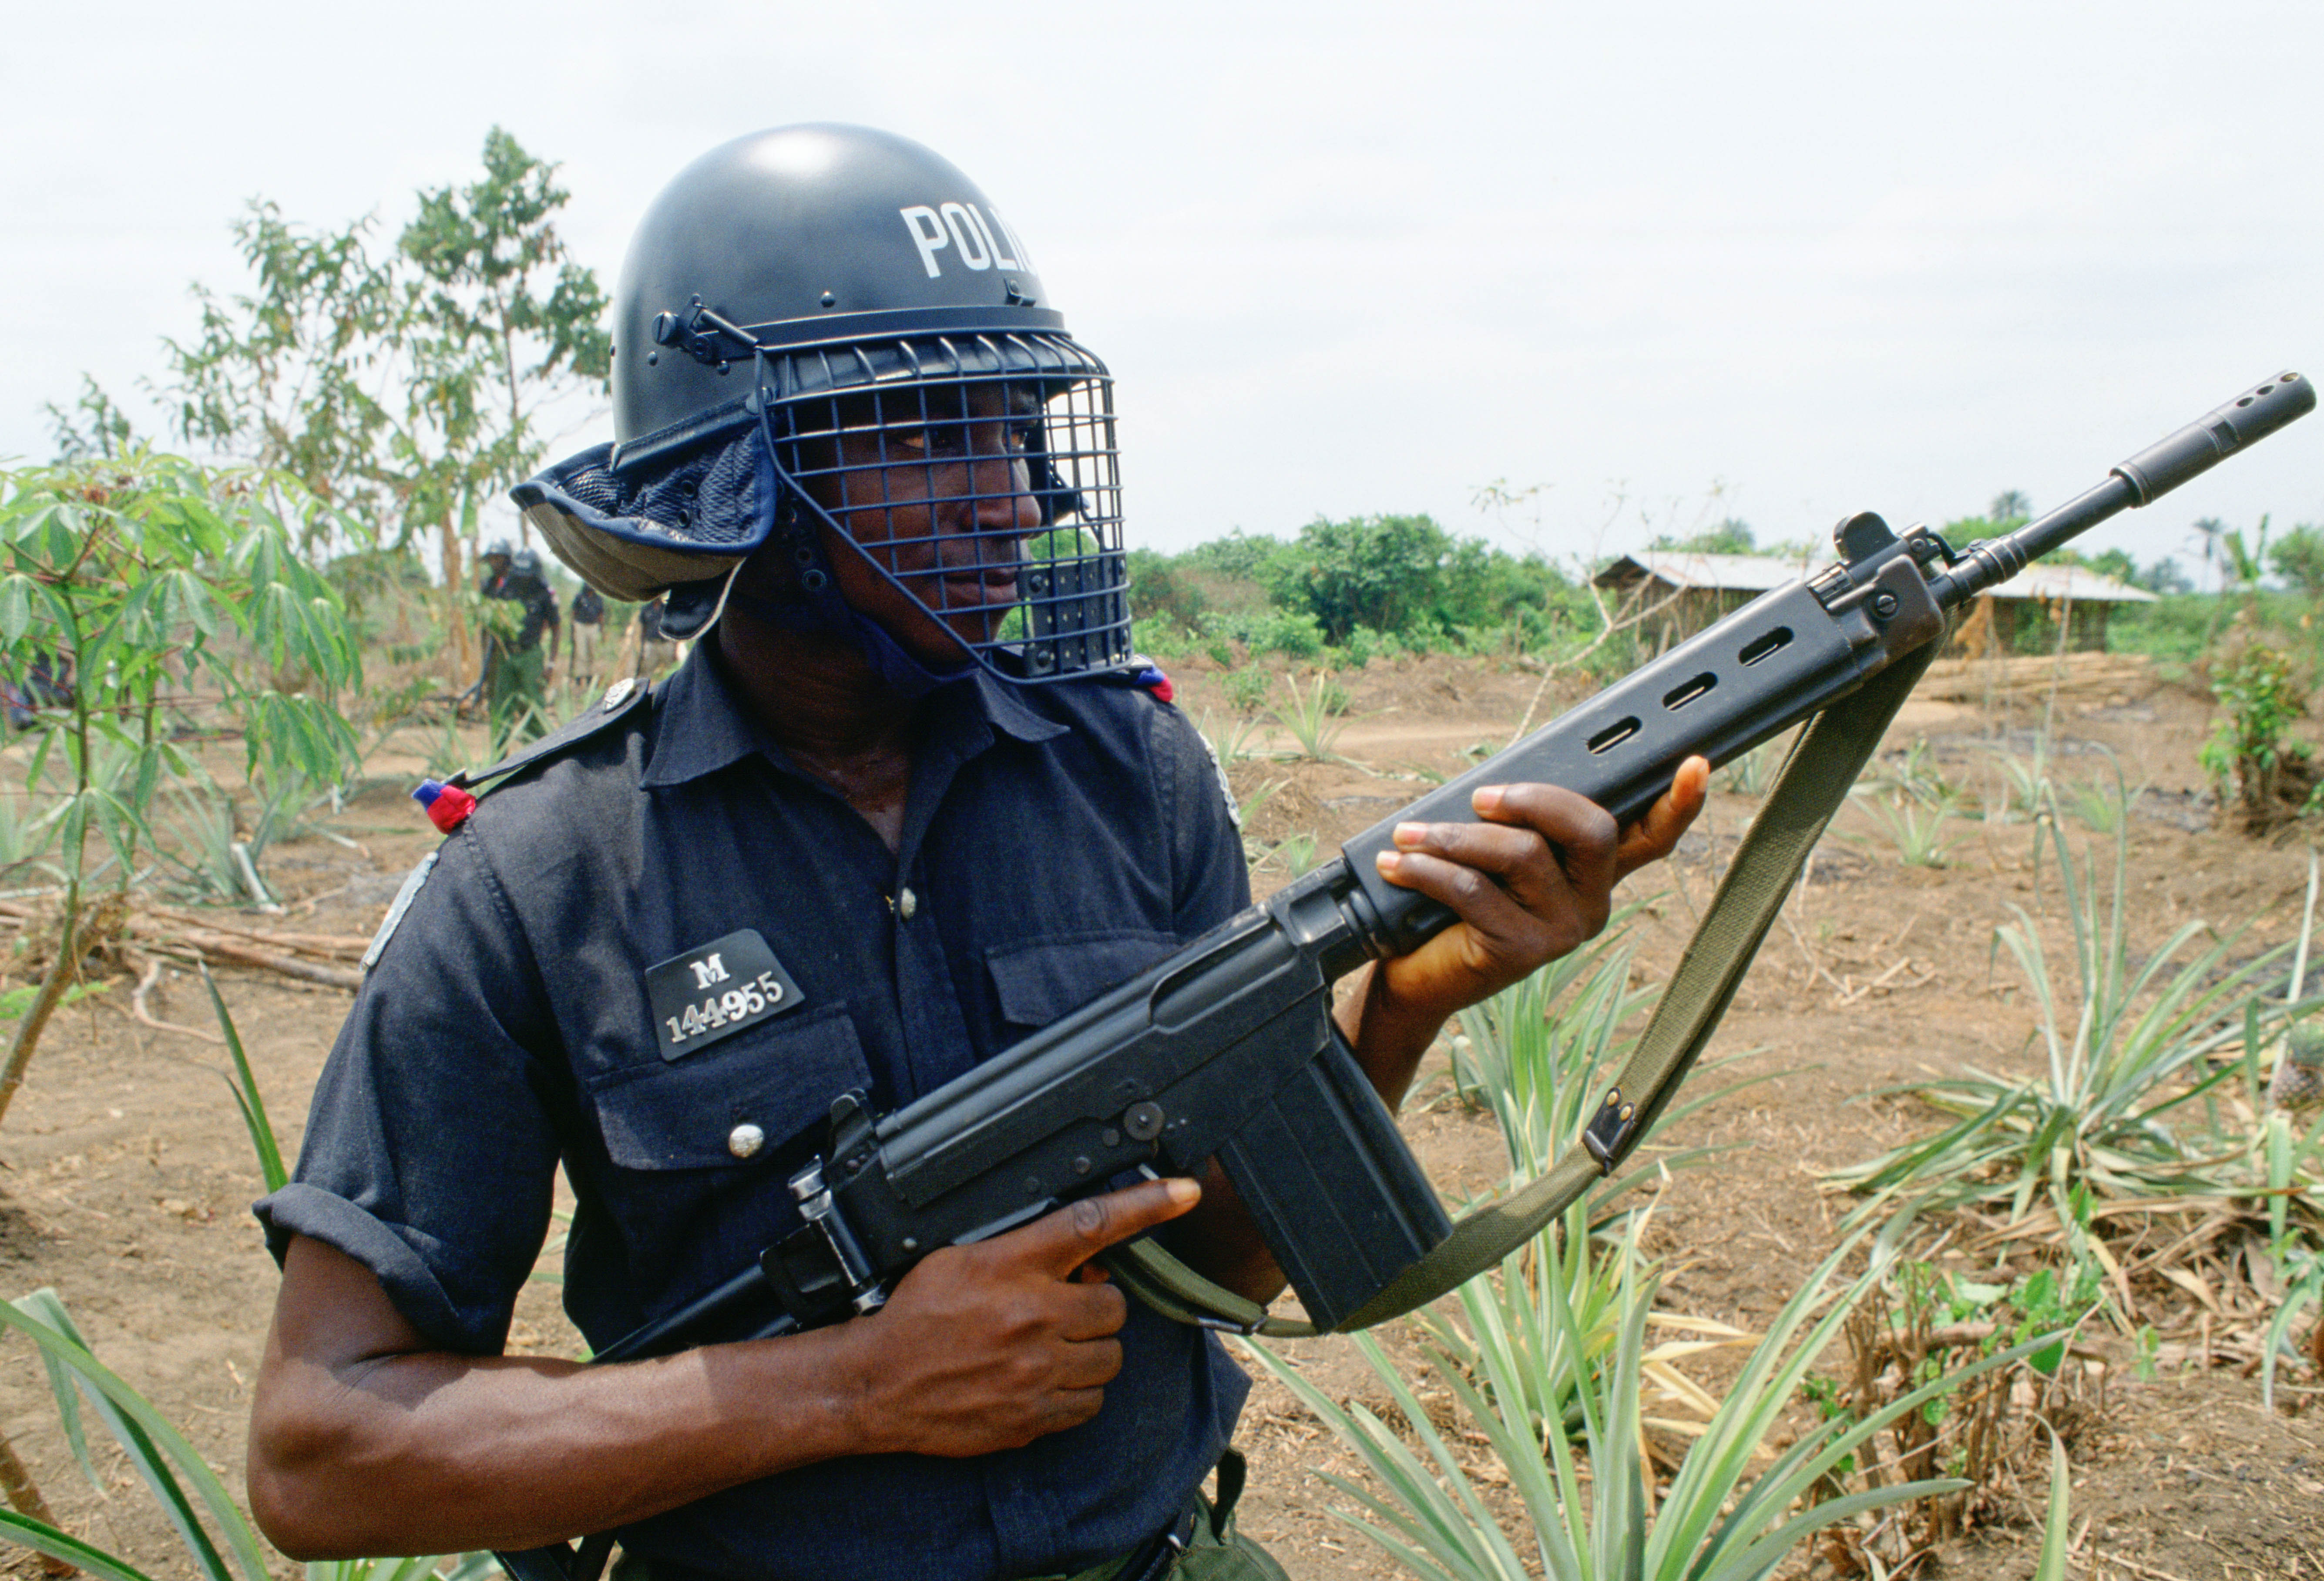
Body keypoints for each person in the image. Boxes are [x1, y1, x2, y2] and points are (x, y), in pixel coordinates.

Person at [246, 125, 1707, 1581]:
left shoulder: (1128, 774)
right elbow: (321, 1453)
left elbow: (1220, 1262)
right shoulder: (542, 877)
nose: (1014, 498)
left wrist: (1410, 998)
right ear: (740, 467)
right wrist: (851, 1386)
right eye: (935, 431)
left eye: (1015, 430)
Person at [478, 542, 562, 740]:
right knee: (501, 708)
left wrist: (551, 663)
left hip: (531, 655)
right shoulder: (505, 591)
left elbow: (557, 628)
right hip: (506, 656)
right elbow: (491, 627)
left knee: (533, 707)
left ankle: (539, 756)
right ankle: (499, 761)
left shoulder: (544, 594)